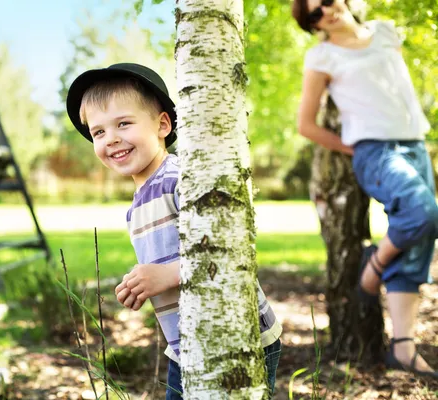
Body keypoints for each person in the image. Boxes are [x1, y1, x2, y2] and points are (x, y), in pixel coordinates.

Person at [66, 63, 283, 398]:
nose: (111, 139)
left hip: (237, 338)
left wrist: (167, 274)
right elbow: (171, 257)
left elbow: (229, 249)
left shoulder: (181, 178)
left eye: (124, 123)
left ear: (162, 125)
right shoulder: (138, 203)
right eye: (99, 132)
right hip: (187, 346)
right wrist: (144, 280)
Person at [292, 0, 438, 380]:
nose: (325, 10)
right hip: (375, 150)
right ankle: (372, 270)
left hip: (413, 143)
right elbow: (306, 124)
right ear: (311, 25)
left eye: (325, 1)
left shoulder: (386, 31)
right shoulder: (321, 56)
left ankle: (403, 349)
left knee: (421, 237)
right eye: (314, 13)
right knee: (423, 213)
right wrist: (352, 147)